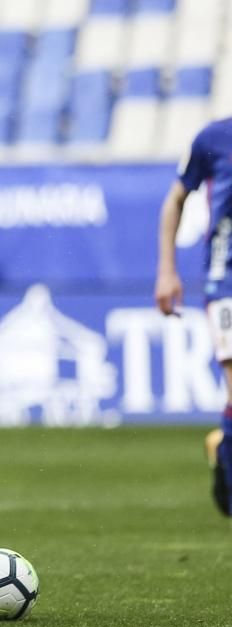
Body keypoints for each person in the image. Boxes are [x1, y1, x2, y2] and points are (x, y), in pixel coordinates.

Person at [155, 114, 232, 517]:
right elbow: (175, 200)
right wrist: (168, 271)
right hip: (228, 281)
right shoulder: (214, 138)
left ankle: (223, 447)